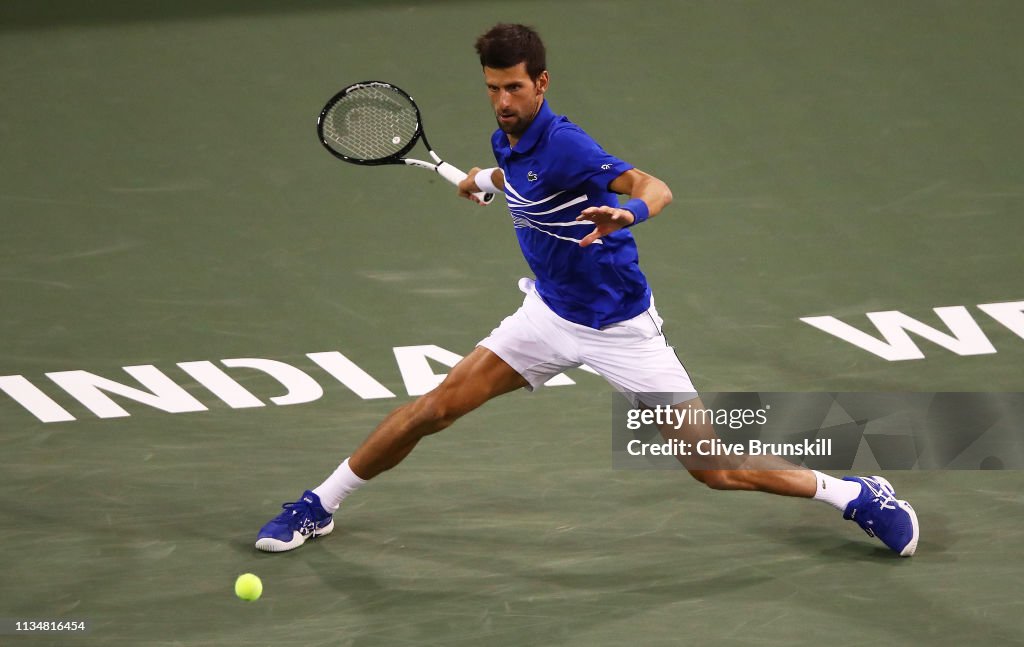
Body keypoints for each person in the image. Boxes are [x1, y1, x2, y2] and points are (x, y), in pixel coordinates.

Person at [255, 23, 918, 557]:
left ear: (542, 82)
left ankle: (855, 493)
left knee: (713, 468)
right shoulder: (507, 138)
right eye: (493, 88)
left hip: (622, 329)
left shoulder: (571, 146)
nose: (504, 101)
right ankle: (320, 502)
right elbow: (521, 178)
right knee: (433, 409)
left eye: (515, 87)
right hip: (545, 316)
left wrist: (626, 214)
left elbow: (655, 187)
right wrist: (485, 181)